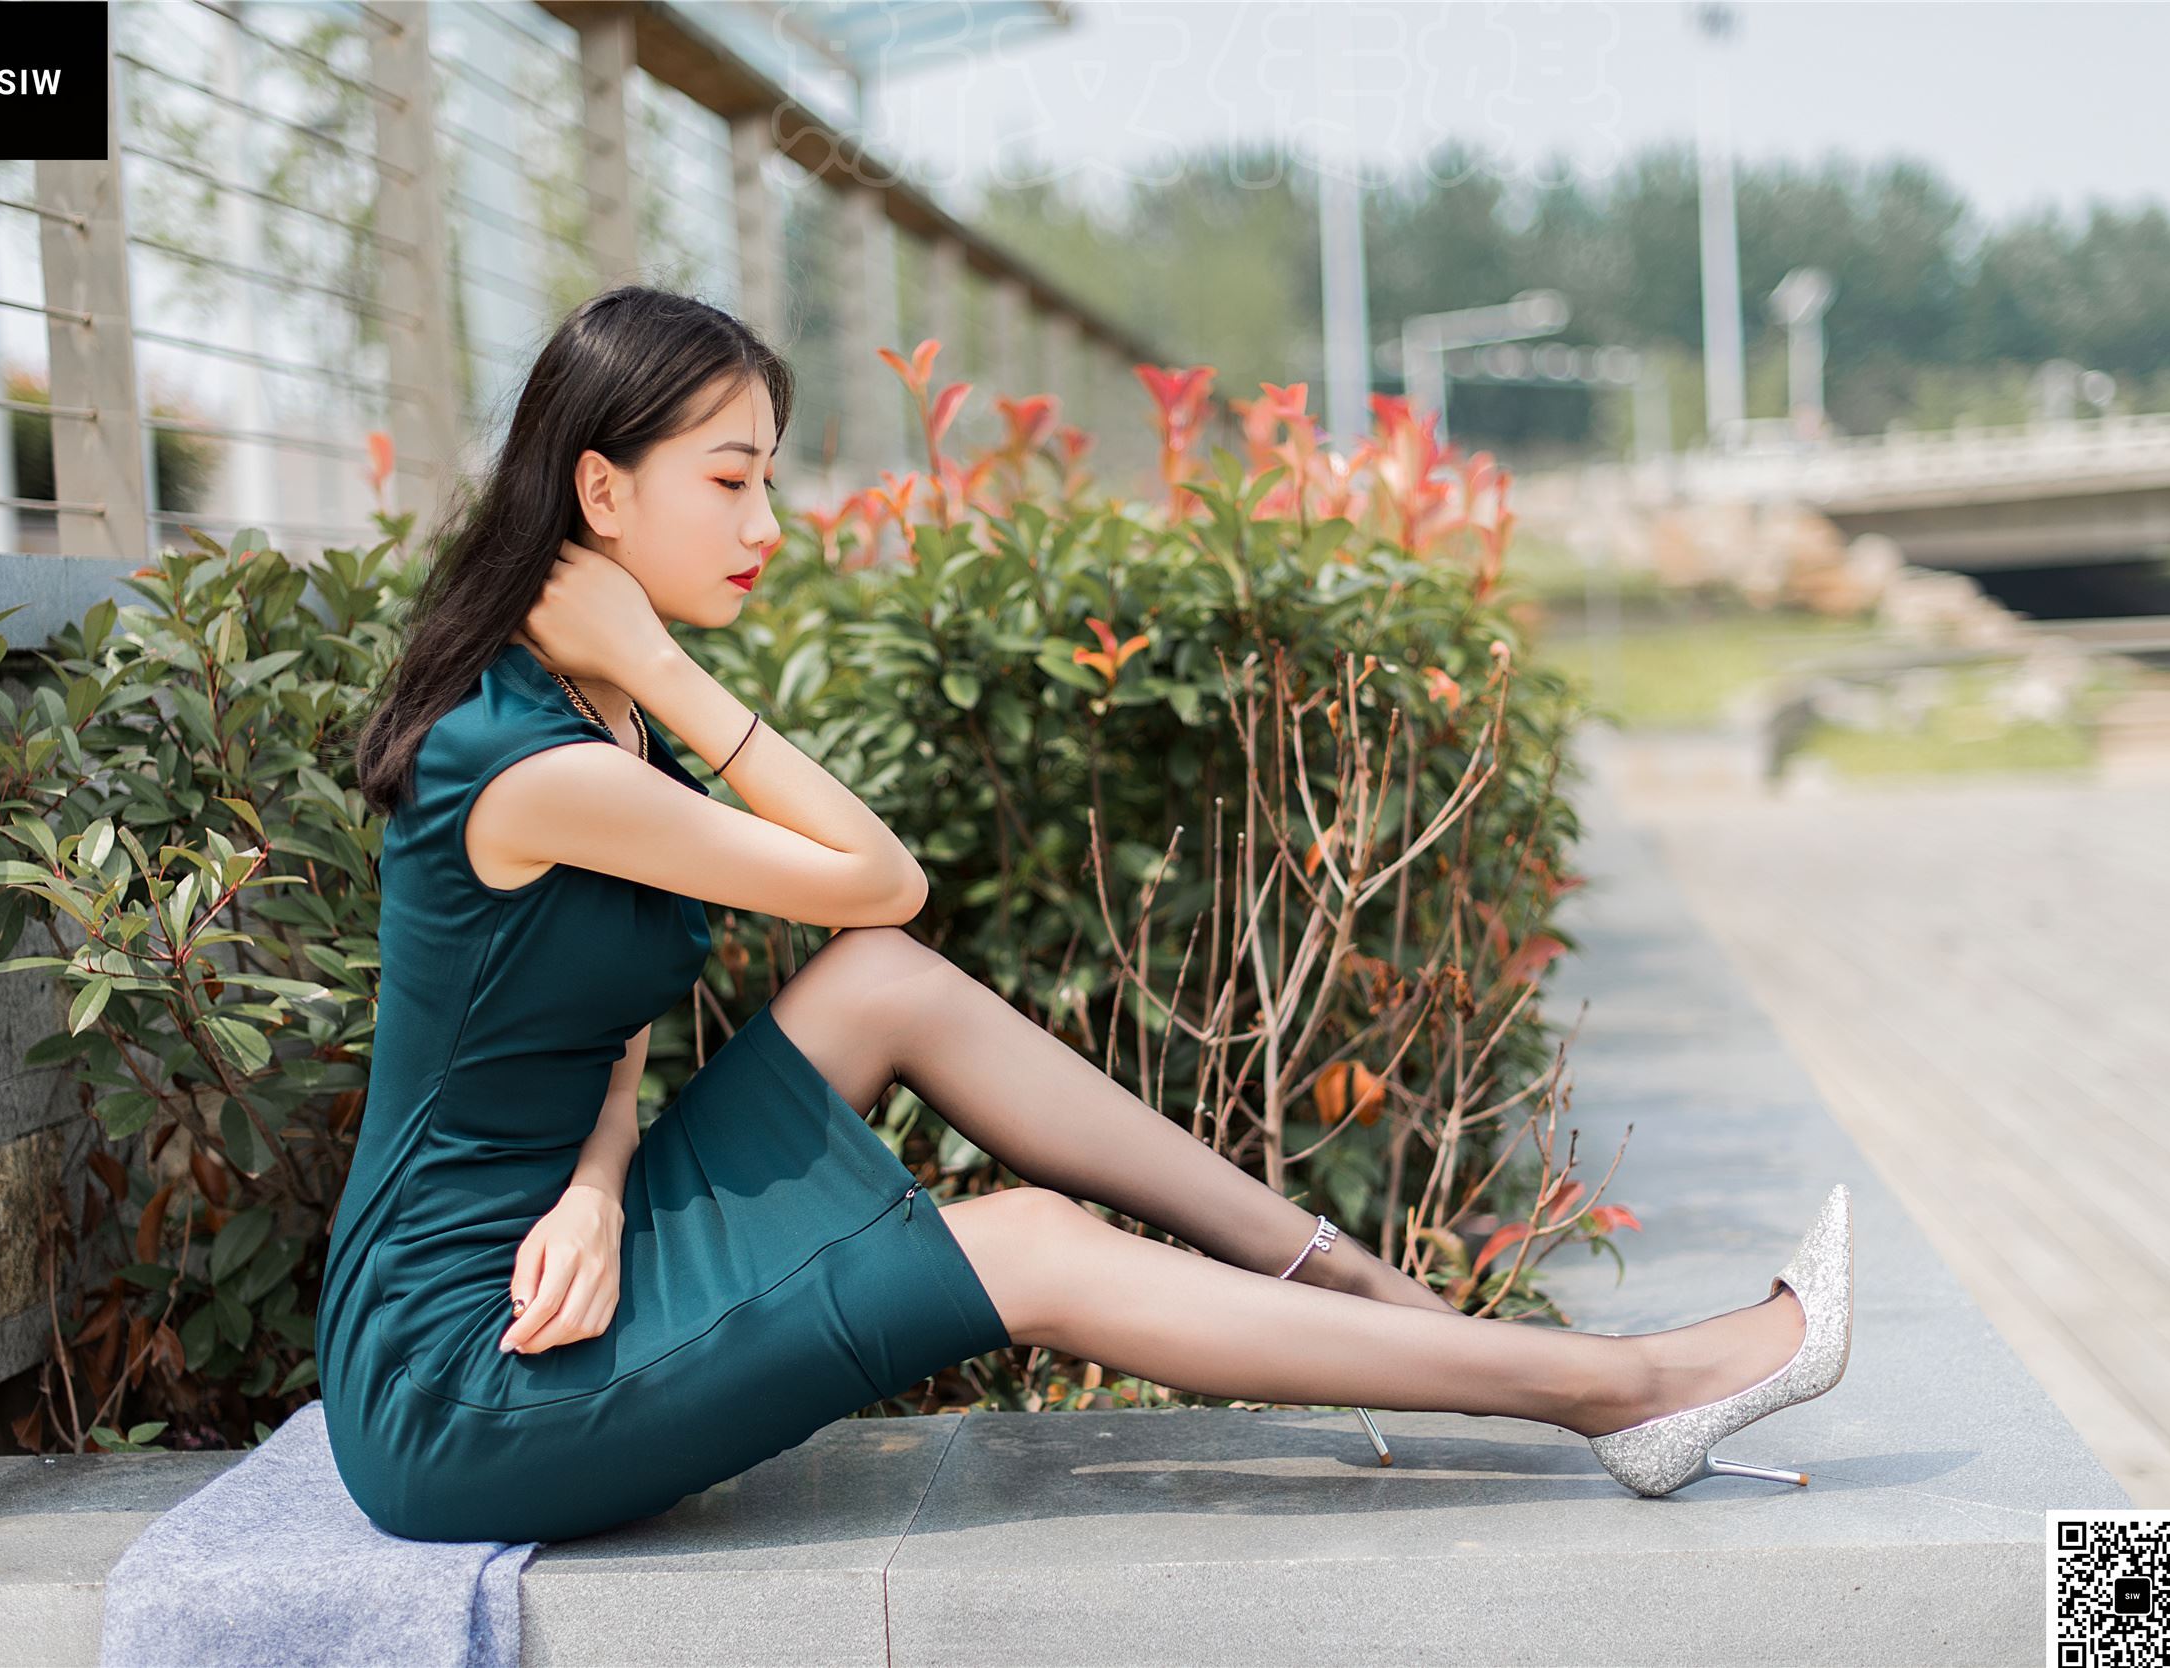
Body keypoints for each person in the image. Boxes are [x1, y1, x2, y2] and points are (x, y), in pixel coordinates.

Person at [317, 285, 1847, 1545]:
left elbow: (600, 1015)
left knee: (877, 986)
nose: (767, 520)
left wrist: (594, 1187)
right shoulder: (520, 756)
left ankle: (1348, 1279)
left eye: (769, 475)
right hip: (463, 1385)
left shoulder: (593, 725)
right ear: (600, 486)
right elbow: (884, 868)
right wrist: (664, 668)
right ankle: (1625, 1386)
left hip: (566, 1253)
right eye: (731, 478)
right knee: (1030, 1241)